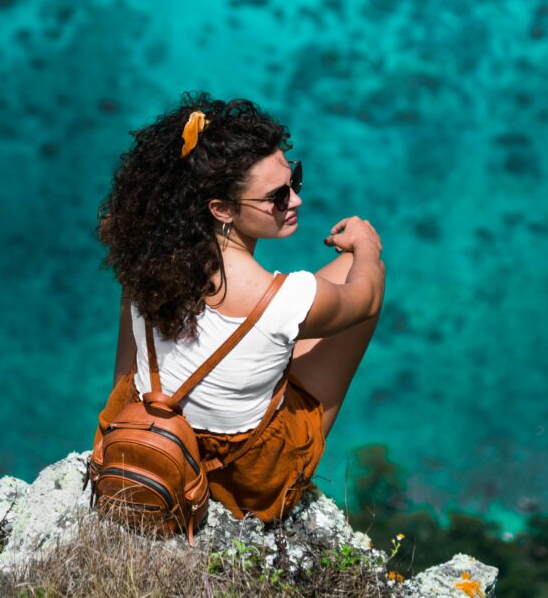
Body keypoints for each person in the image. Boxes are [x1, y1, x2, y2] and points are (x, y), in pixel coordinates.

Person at [95, 92, 386, 524]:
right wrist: (366, 244)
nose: (296, 201)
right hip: (245, 479)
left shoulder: (145, 264)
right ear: (221, 209)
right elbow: (366, 298)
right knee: (357, 272)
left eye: (295, 181)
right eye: (277, 197)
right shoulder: (287, 298)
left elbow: (126, 371)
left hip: (148, 440)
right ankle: (283, 473)